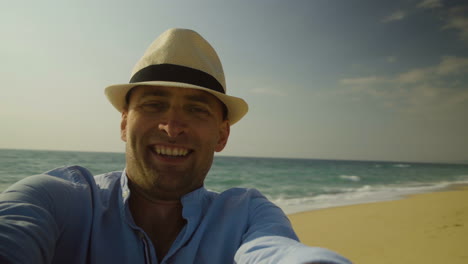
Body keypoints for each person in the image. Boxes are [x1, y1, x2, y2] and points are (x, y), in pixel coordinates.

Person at [0, 28, 351, 264]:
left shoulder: (248, 216)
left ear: (222, 135)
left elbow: (279, 253)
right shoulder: (57, 200)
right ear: (124, 123)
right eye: (154, 104)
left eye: (196, 109)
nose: (172, 126)